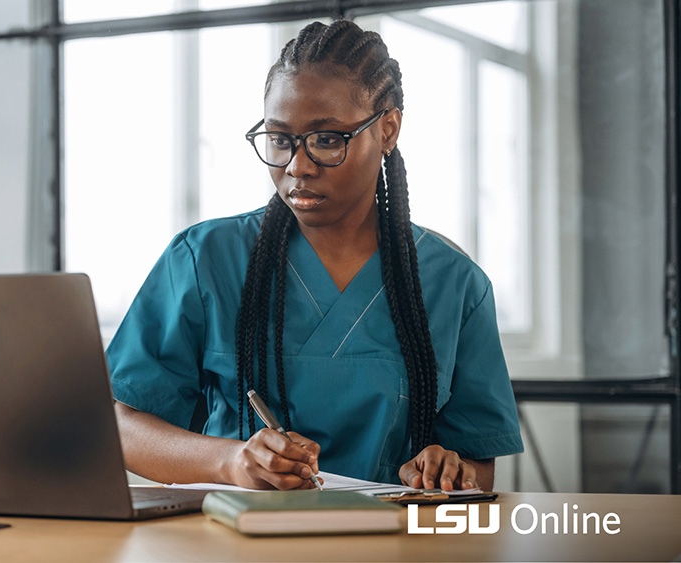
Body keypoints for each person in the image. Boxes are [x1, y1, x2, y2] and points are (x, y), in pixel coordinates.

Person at [106, 19, 523, 492]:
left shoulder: (454, 283)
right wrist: (231, 462)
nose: (297, 167)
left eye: (327, 140)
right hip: (234, 540)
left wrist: (446, 468)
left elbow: (478, 464)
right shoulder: (205, 261)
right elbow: (121, 426)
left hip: (393, 544)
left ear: (387, 130)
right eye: (280, 140)